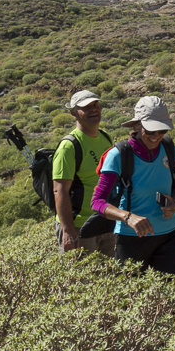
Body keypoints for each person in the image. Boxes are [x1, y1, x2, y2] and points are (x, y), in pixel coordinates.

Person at [91, 95, 175, 281]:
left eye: (162, 130)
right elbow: (97, 202)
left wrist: (174, 202)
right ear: (136, 125)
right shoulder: (118, 155)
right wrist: (128, 217)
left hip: (169, 233)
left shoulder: (168, 147)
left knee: (170, 297)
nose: (156, 136)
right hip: (131, 237)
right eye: (151, 130)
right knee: (131, 300)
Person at [52, 90, 114, 257]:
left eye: (95, 105)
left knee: (111, 277)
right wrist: (68, 231)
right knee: (83, 279)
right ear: (74, 113)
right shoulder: (69, 146)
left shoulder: (105, 138)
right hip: (80, 227)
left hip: (105, 221)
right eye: (86, 107)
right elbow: (60, 191)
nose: (93, 109)